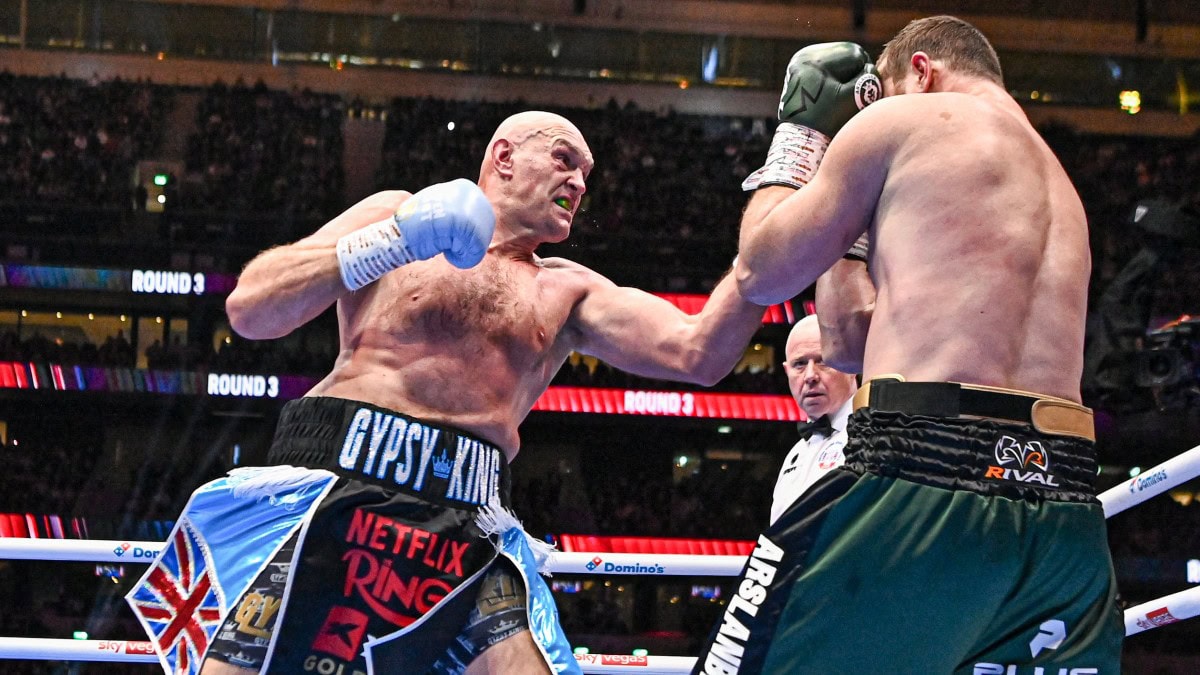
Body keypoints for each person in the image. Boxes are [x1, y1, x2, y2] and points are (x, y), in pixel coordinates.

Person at [125, 110, 767, 675]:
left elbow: (699, 352)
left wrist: (773, 221)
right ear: (504, 158)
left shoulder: (570, 290)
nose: (579, 182)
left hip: (467, 516)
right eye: (565, 160)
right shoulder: (394, 213)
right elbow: (251, 308)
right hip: (333, 476)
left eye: (587, 175)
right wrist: (395, 238)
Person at [694, 18, 1123, 674]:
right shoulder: (1061, 185)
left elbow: (760, 270)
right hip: (1064, 507)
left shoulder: (904, 123)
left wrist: (800, 137)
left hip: (919, 473)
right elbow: (847, 341)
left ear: (920, 71)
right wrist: (858, 228)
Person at [769, 314, 858, 525]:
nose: (810, 375)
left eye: (823, 361)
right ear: (786, 371)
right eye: (799, 364)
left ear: (852, 366)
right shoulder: (795, 454)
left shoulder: (873, 438)